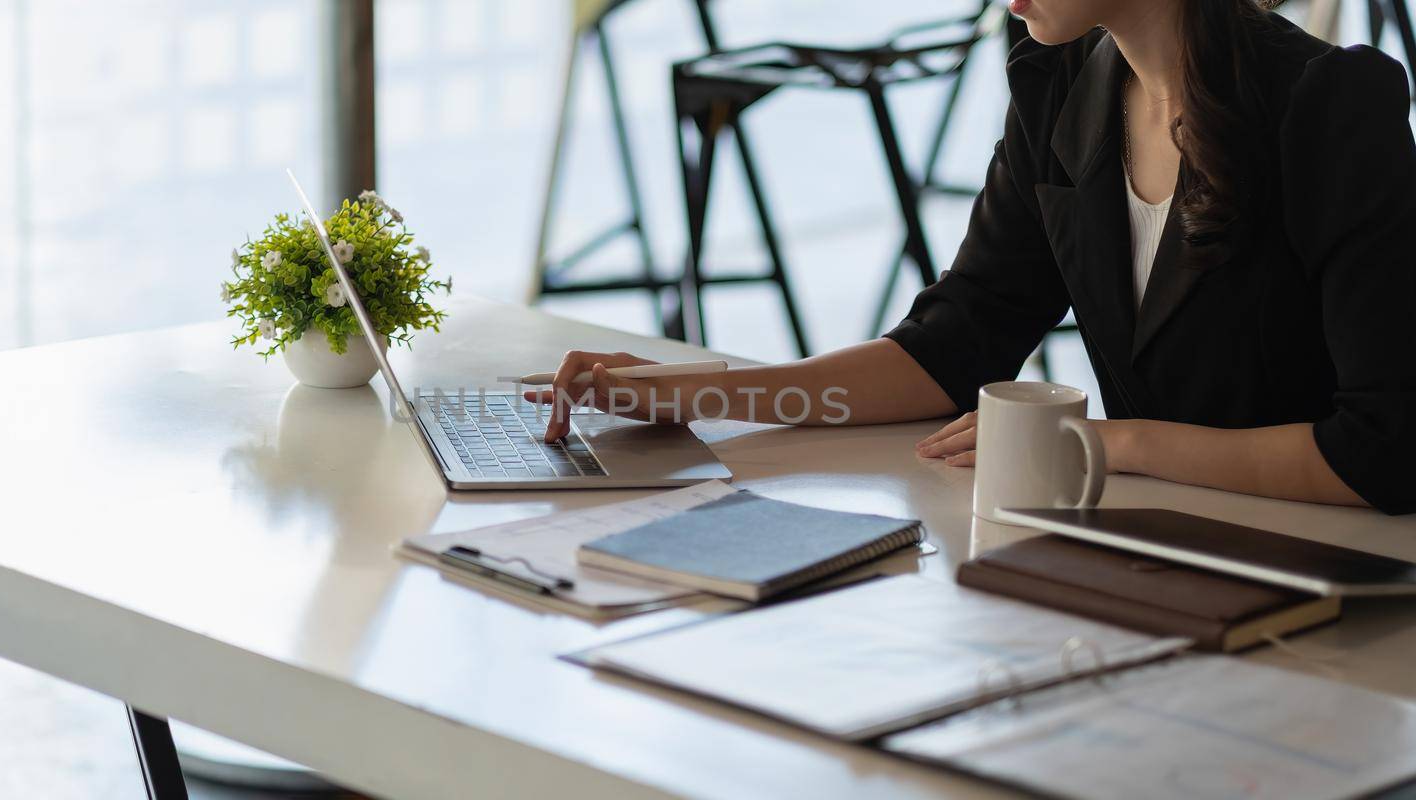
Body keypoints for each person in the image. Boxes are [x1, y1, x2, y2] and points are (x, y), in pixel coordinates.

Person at [527, 0, 1416, 515]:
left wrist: (1108, 444)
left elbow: (1386, 451)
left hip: (1336, 583)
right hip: (1158, 548)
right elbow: (953, 346)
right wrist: (699, 394)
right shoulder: (1060, 82)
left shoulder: (1330, 101)